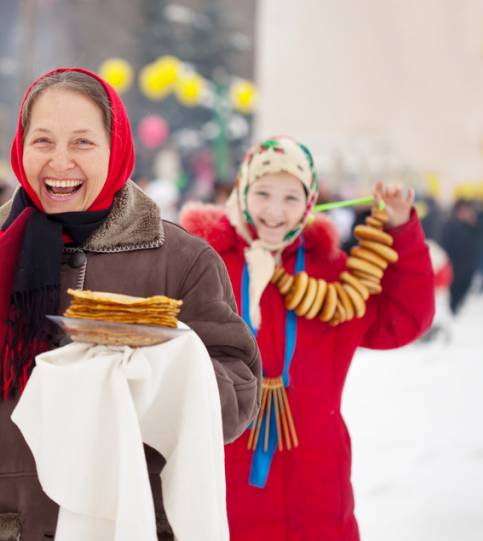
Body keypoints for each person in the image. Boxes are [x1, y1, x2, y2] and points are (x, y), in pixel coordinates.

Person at [0, 68, 262, 541]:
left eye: (82, 142)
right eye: (43, 141)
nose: (59, 162)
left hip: (133, 524)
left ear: (117, 147)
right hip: (4, 524)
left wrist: (155, 376)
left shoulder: (183, 261)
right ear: (21, 148)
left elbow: (238, 398)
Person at [179, 136, 435, 541]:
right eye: (262, 193)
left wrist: (401, 229)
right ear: (242, 192)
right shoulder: (203, 263)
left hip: (318, 486)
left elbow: (402, 320)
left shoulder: (333, 272)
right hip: (225, 479)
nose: (275, 211)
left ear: (310, 203)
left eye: (290, 197)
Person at [440, 198, 480, 315]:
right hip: (456, 266)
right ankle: (452, 311)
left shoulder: (471, 226)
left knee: (464, 287)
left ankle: (454, 310)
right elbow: (445, 244)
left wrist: (472, 224)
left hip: (468, 266)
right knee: (455, 291)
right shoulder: (450, 225)